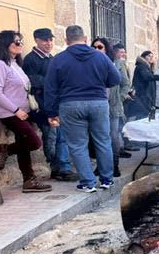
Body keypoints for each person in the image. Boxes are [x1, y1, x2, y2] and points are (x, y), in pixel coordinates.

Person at [44, 25, 121, 193]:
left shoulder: (58, 59)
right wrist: (100, 83)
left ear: (66, 40)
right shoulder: (100, 57)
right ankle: (107, 179)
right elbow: (116, 78)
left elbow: (50, 88)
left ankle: (88, 182)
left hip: (70, 105)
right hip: (98, 103)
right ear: (85, 39)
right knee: (103, 140)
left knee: (78, 145)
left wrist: (51, 112)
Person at [0, 30, 52, 193]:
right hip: (11, 113)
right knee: (34, 142)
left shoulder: (15, 64)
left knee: (24, 147)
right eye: (17, 42)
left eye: (21, 42)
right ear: (5, 44)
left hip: (24, 111)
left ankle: (29, 180)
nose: (20, 45)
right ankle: (5, 149)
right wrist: (16, 110)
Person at [22, 28, 77, 181]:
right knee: (51, 138)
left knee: (61, 137)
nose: (49, 43)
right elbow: (31, 82)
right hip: (43, 107)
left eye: (50, 40)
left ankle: (63, 168)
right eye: (45, 40)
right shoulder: (31, 59)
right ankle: (56, 167)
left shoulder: (52, 58)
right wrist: (52, 82)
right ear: (36, 40)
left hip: (55, 105)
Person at [93, 37, 130, 177]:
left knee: (113, 135)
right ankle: (100, 165)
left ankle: (114, 165)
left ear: (107, 48)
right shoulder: (91, 63)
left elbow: (126, 84)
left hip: (113, 106)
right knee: (98, 136)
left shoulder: (118, 63)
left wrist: (119, 98)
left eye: (100, 47)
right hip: (97, 105)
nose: (97, 50)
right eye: (94, 47)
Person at [112, 43, 138, 154]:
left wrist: (127, 92)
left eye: (124, 52)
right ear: (115, 52)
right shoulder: (116, 63)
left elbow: (126, 82)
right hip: (117, 99)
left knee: (122, 123)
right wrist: (122, 95)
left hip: (122, 98)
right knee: (119, 125)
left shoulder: (123, 64)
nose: (123, 54)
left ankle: (124, 146)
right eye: (121, 52)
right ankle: (121, 148)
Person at [130, 50, 159, 119]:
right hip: (143, 94)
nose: (151, 58)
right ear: (144, 57)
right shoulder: (142, 66)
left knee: (145, 114)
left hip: (146, 94)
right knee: (143, 114)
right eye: (149, 56)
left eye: (152, 56)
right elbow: (147, 77)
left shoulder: (146, 66)